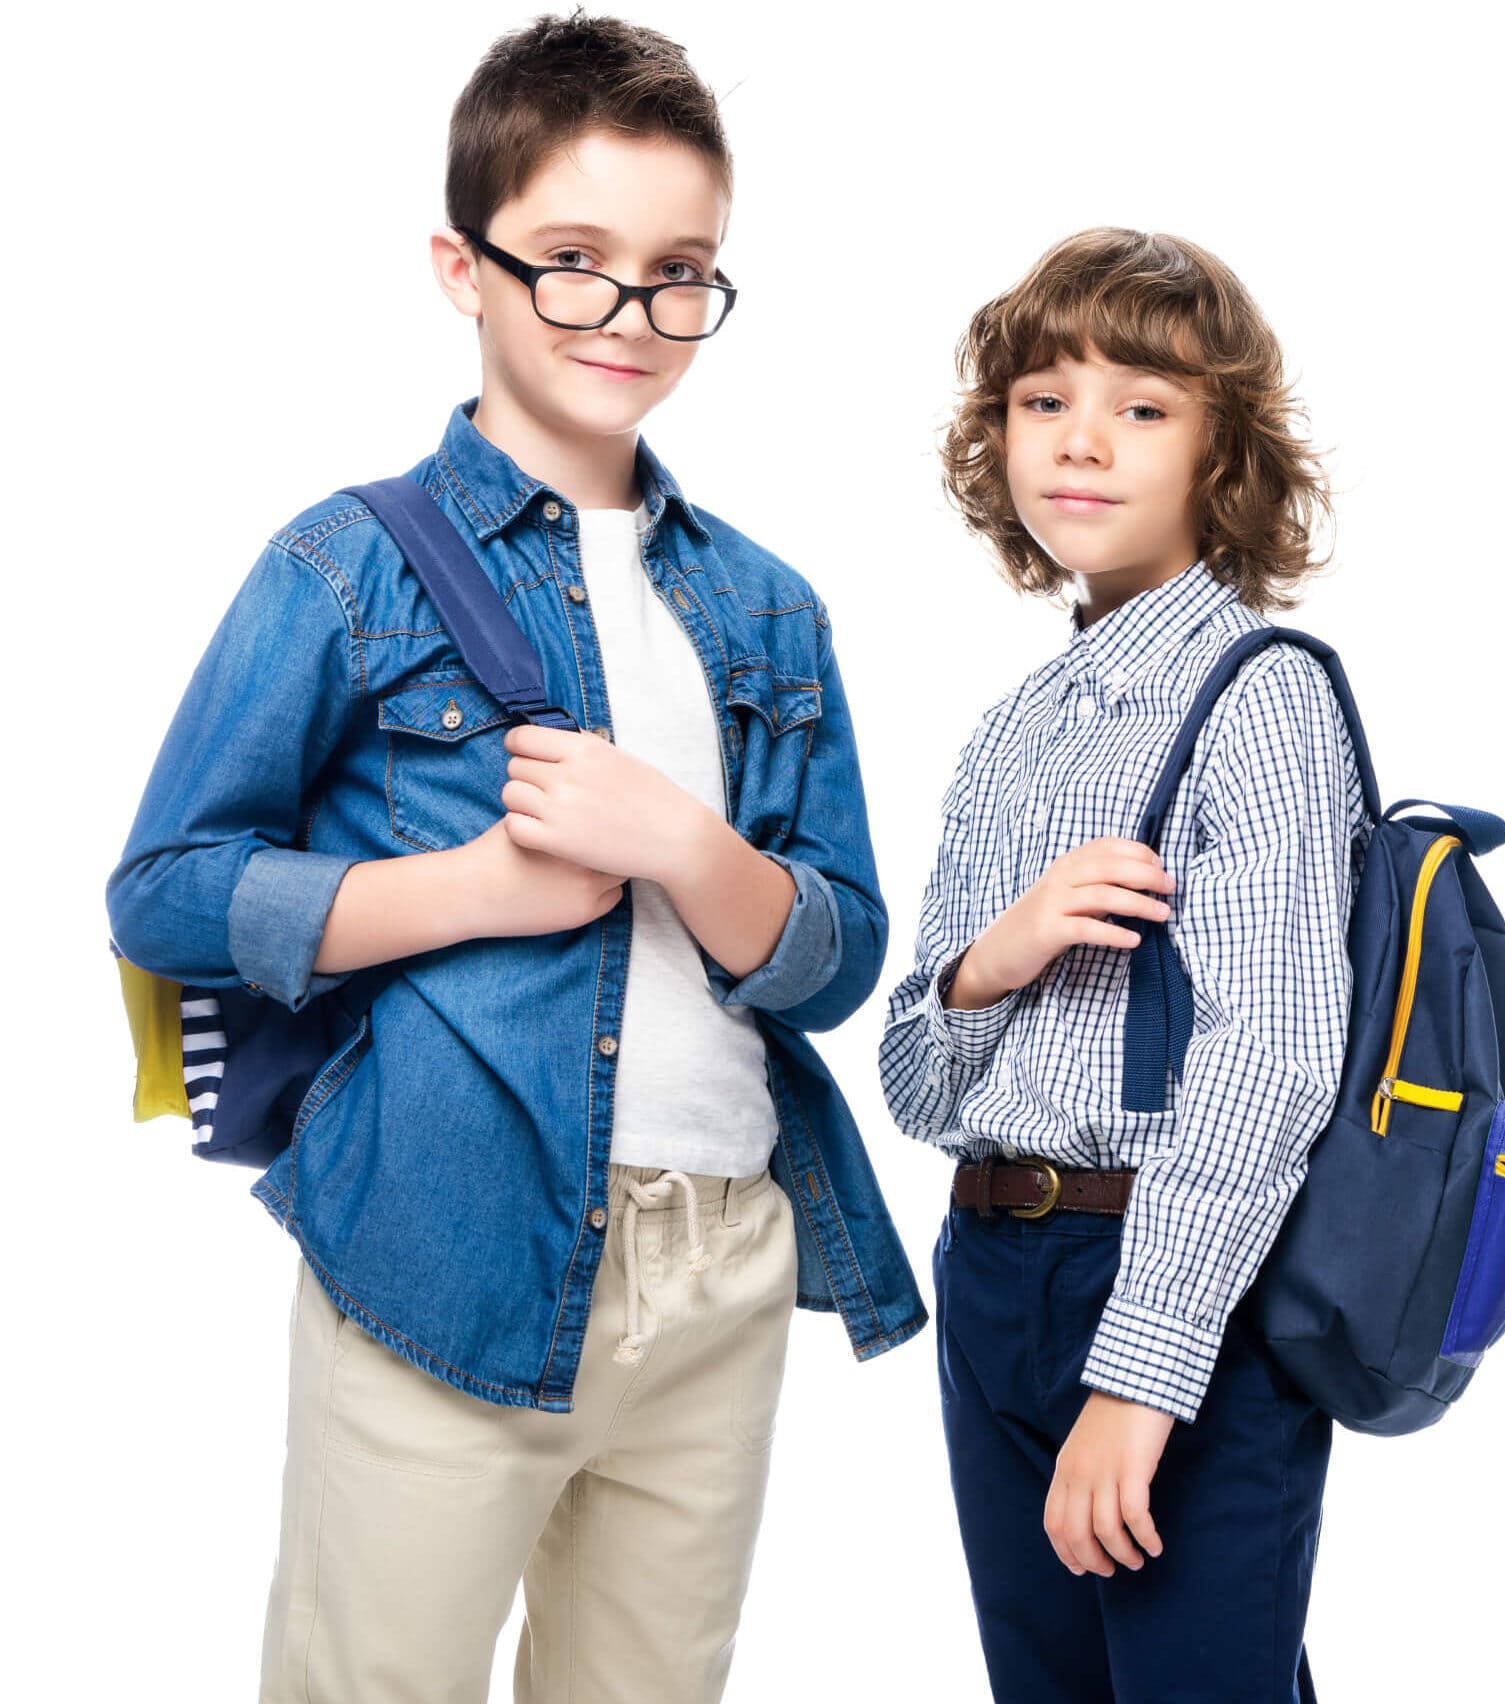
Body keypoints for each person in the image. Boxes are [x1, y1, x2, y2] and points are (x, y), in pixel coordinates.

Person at [106, 13, 922, 1702]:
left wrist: (686, 851)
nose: (630, 314)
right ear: (459, 266)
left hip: (724, 1265)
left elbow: (838, 955)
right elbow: (167, 887)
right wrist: (473, 891)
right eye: (572, 261)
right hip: (444, 1242)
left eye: (679, 268)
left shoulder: (766, 605)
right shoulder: (347, 568)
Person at [878, 227, 1372, 1703]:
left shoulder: (1260, 697)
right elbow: (912, 1077)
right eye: (1044, 400)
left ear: (1222, 456)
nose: (1081, 442)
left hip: (1174, 1273)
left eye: (1143, 408)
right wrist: (999, 956)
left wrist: (1141, 1376)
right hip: (993, 1269)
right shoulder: (1020, 725)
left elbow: (1268, 1060)